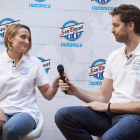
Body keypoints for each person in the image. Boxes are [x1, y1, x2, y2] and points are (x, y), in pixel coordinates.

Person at [55, 4, 140, 140]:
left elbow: (106, 103)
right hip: (110, 114)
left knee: (108, 138)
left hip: (135, 117)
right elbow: (103, 98)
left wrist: (109, 106)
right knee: (64, 115)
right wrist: (76, 91)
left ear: (131, 26)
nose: (112, 30)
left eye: (116, 25)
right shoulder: (114, 56)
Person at [0, 24, 60, 140]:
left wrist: (55, 85)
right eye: (23, 37)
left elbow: (48, 94)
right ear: (10, 38)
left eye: (28, 38)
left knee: (10, 129)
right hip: (2, 110)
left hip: (26, 112)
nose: (27, 41)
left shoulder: (35, 63)